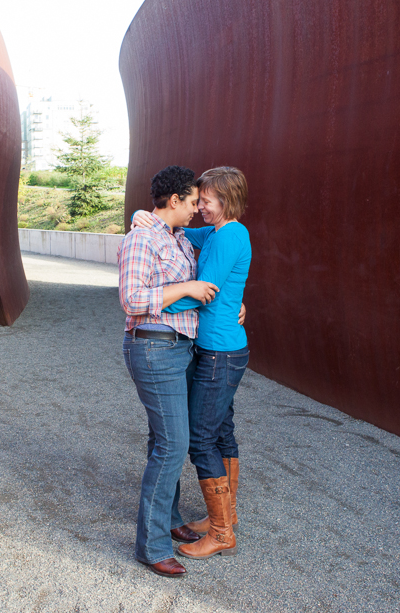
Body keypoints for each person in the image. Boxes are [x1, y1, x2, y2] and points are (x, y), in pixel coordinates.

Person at [133, 166, 251, 560]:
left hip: (219, 350)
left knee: (200, 438)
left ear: (227, 199)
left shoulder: (231, 234)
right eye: (196, 199)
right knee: (221, 431)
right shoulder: (215, 232)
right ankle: (226, 518)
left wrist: (162, 300)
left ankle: (221, 530)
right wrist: (142, 218)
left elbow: (205, 293)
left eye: (207, 200)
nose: (200, 206)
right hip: (219, 345)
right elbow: (175, 228)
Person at [117, 165, 219, 578]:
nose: (197, 208)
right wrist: (186, 289)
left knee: (163, 438)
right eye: (193, 201)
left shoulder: (176, 238)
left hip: (180, 349)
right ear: (174, 200)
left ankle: (171, 517)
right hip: (154, 348)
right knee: (173, 444)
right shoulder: (142, 237)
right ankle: (152, 544)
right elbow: (130, 298)